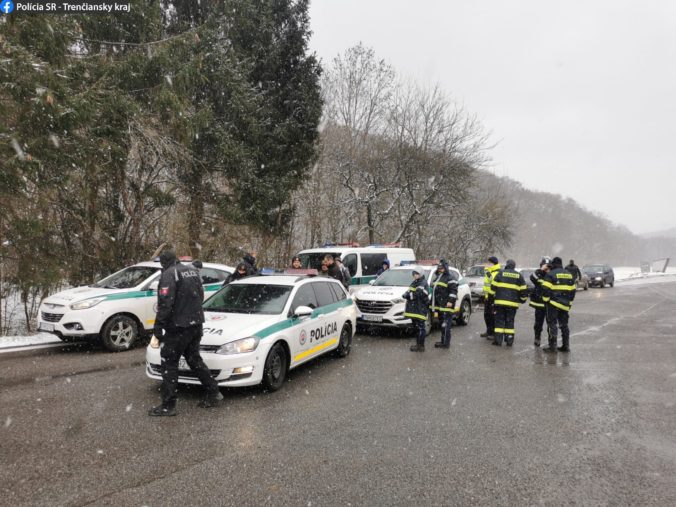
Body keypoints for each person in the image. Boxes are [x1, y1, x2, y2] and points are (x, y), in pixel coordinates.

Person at [149, 249, 222, 416]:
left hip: (179, 327)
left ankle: (168, 405)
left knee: (169, 362)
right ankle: (213, 392)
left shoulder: (169, 274)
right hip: (195, 324)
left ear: (163, 262)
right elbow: (200, 295)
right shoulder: (191, 271)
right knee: (193, 358)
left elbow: (165, 304)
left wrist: (158, 327)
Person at [542, 256, 576, 353]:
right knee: (564, 325)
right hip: (564, 305)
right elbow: (573, 291)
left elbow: (545, 289)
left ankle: (552, 346)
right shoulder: (569, 275)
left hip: (553, 304)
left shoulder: (551, 274)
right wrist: (569, 303)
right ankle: (566, 346)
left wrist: (546, 300)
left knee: (552, 324)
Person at [490, 259, 528, 347]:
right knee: (510, 321)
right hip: (512, 304)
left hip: (499, 303)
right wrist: (522, 299)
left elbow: (492, 289)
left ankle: (498, 341)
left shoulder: (500, 273)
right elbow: (524, 291)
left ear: (506, 265)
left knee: (499, 322)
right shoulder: (519, 276)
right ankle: (509, 341)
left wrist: (492, 299)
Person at [430, 260, 458, 349]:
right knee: (442, 324)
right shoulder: (438, 277)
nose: (440, 270)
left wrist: (450, 301)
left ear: (445, 268)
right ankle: (443, 341)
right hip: (440, 306)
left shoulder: (450, 277)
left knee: (446, 325)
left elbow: (453, 291)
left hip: (446, 305)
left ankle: (446, 343)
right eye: (439, 268)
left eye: (441, 268)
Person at [403, 268, 430, 352]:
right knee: (416, 327)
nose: (415, 275)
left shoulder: (423, 282)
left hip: (420, 309)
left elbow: (419, 294)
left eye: (417, 273)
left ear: (421, 274)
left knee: (421, 327)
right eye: (414, 274)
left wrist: (408, 296)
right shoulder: (415, 282)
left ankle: (421, 346)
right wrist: (406, 294)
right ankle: (418, 344)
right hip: (415, 309)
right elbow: (409, 292)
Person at [529, 257, 552, 347]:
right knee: (538, 323)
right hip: (539, 304)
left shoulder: (552, 275)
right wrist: (541, 270)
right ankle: (537, 338)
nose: (546, 269)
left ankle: (551, 341)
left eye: (548, 267)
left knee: (550, 324)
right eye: (544, 266)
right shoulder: (538, 273)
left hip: (550, 304)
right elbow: (532, 277)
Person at [480, 256, 501, 340]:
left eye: (489, 263)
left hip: (494, 298)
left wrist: (488, 273)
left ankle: (493, 333)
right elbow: (486, 285)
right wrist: (485, 296)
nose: (487, 264)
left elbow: (494, 282)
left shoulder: (497, 272)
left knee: (493, 316)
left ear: (493, 264)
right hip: (487, 297)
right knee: (487, 315)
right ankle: (489, 331)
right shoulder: (489, 271)